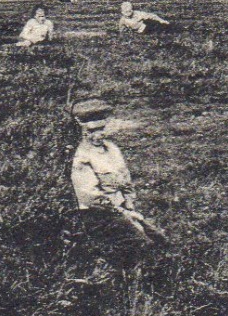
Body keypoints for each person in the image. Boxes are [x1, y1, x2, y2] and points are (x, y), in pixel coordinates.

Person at [68, 98, 165, 245]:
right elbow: (90, 198)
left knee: (160, 239)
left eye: (101, 129)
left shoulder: (112, 149)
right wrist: (123, 212)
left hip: (123, 209)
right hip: (99, 215)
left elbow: (125, 180)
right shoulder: (81, 157)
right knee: (144, 244)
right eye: (91, 131)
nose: (98, 135)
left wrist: (129, 204)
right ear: (82, 131)